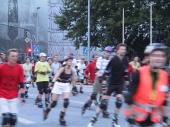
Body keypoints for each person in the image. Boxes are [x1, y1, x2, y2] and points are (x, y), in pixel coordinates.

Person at [125, 43, 169, 127]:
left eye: (162, 56)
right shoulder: (139, 73)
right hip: (136, 119)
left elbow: (164, 101)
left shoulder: (165, 75)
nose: (159, 58)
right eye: (155, 55)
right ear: (149, 57)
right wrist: (130, 118)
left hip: (154, 119)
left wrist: (165, 120)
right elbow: (129, 97)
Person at [87, 43, 128, 127]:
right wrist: (104, 82)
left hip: (120, 83)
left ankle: (114, 121)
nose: (123, 51)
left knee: (119, 102)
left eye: (124, 49)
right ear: (118, 50)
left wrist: (127, 83)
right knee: (104, 103)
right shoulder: (113, 60)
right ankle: (93, 120)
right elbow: (106, 71)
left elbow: (126, 73)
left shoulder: (125, 60)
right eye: (121, 49)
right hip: (111, 83)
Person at [43, 56, 76, 126]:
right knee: (54, 103)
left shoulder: (72, 70)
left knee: (66, 102)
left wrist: (74, 87)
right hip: (58, 84)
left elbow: (74, 79)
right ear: (66, 61)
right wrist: (52, 83)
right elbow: (56, 75)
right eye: (69, 61)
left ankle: (61, 118)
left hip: (66, 85)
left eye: (71, 61)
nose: (70, 62)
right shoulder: (62, 68)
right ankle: (47, 111)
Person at [82, 46, 113, 117]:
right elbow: (97, 70)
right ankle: (86, 105)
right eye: (107, 52)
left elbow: (110, 71)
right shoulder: (100, 59)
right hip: (99, 78)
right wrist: (101, 79)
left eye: (109, 52)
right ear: (104, 52)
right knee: (94, 95)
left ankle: (104, 111)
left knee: (104, 95)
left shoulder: (110, 61)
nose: (108, 53)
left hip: (106, 79)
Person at [0, 49, 25, 127]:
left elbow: (21, 84)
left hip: (13, 96)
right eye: (12, 56)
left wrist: (22, 97)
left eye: (16, 56)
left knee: (13, 119)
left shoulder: (19, 68)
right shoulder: (2, 67)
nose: (15, 58)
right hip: (2, 95)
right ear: (8, 57)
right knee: (6, 118)